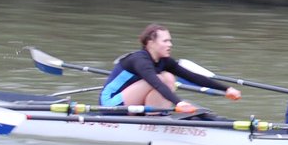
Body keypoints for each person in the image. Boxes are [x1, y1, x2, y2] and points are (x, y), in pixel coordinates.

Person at [100, 24, 241, 112]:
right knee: (162, 78)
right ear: (150, 43)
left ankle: (154, 118)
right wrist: (179, 103)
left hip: (131, 101)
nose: (170, 44)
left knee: (168, 77)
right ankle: (153, 121)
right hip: (110, 104)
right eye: (165, 41)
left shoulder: (164, 61)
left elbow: (192, 76)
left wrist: (226, 89)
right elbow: (155, 83)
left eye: (170, 41)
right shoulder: (139, 60)